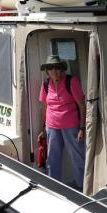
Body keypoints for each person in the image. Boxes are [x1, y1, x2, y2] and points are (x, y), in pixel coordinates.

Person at [37, 55, 86, 190]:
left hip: (71, 126)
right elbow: (44, 107)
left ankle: (82, 187)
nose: (54, 70)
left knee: (77, 158)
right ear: (47, 71)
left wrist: (82, 128)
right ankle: (53, 188)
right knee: (52, 159)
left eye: (57, 67)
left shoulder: (72, 81)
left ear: (62, 69)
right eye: (50, 68)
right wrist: (42, 129)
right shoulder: (46, 84)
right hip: (52, 127)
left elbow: (82, 105)